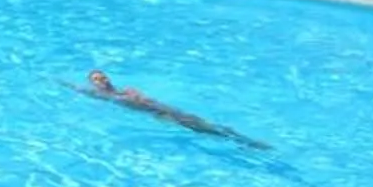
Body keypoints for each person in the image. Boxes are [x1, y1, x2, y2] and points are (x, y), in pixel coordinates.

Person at [78, 70, 269, 149]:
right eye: (97, 79)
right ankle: (243, 143)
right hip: (157, 114)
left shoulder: (127, 89)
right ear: (93, 84)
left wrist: (135, 97)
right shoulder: (104, 96)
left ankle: (240, 138)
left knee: (203, 123)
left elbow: (145, 99)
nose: (102, 80)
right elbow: (81, 90)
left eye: (103, 77)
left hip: (165, 109)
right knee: (198, 129)